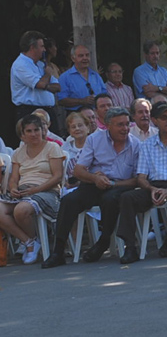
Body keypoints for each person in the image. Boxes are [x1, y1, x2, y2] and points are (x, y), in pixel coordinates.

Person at [42, 107, 142, 267]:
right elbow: (78, 170)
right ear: (108, 125)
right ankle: (58, 251)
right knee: (69, 200)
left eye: (126, 124)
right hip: (94, 183)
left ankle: (104, 241)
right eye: (119, 125)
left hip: (121, 185)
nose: (124, 129)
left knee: (111, 199)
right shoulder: (95, 139)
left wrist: (113, 183)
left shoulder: (135, 144)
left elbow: (138, 179)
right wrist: (95, 178)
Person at [115, 101, 167, 262]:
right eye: (164, 117)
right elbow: (141, 177)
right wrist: (152, 189)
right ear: (155, 120)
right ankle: (130, 247)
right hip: (154, 185)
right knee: (127, 198)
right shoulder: (147, 145)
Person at [0, 114, 65, 264]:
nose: (34, 134)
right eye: (29, 131)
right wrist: (13, 188)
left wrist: (36, 190)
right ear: (22, 135)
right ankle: (30, 242)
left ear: (43, 130)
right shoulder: (18, 153)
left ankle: (31, 244)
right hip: (24, 191)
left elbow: (57, 176)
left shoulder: (52, 147)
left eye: (37, 130)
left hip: (47, 191)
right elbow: (14, 178)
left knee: (21, 210)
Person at [10, 31, 59, 121]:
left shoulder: (41, 64)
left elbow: (58, 87)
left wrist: (46, 85)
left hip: (48, 111)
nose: (44, 50)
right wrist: (47, 74)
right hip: (30, 112)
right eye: (42, 46)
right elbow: (40, 84)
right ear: (32, 47)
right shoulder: (20, 65)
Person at [57, 45, 107, 114]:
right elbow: (61, 100)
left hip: (96, 115)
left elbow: (105, 94)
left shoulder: (95, 76)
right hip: (76, 116)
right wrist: (82, 101)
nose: (85, 58)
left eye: (87, 55)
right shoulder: (65, 77)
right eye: (81, 56)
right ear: (73, 58)